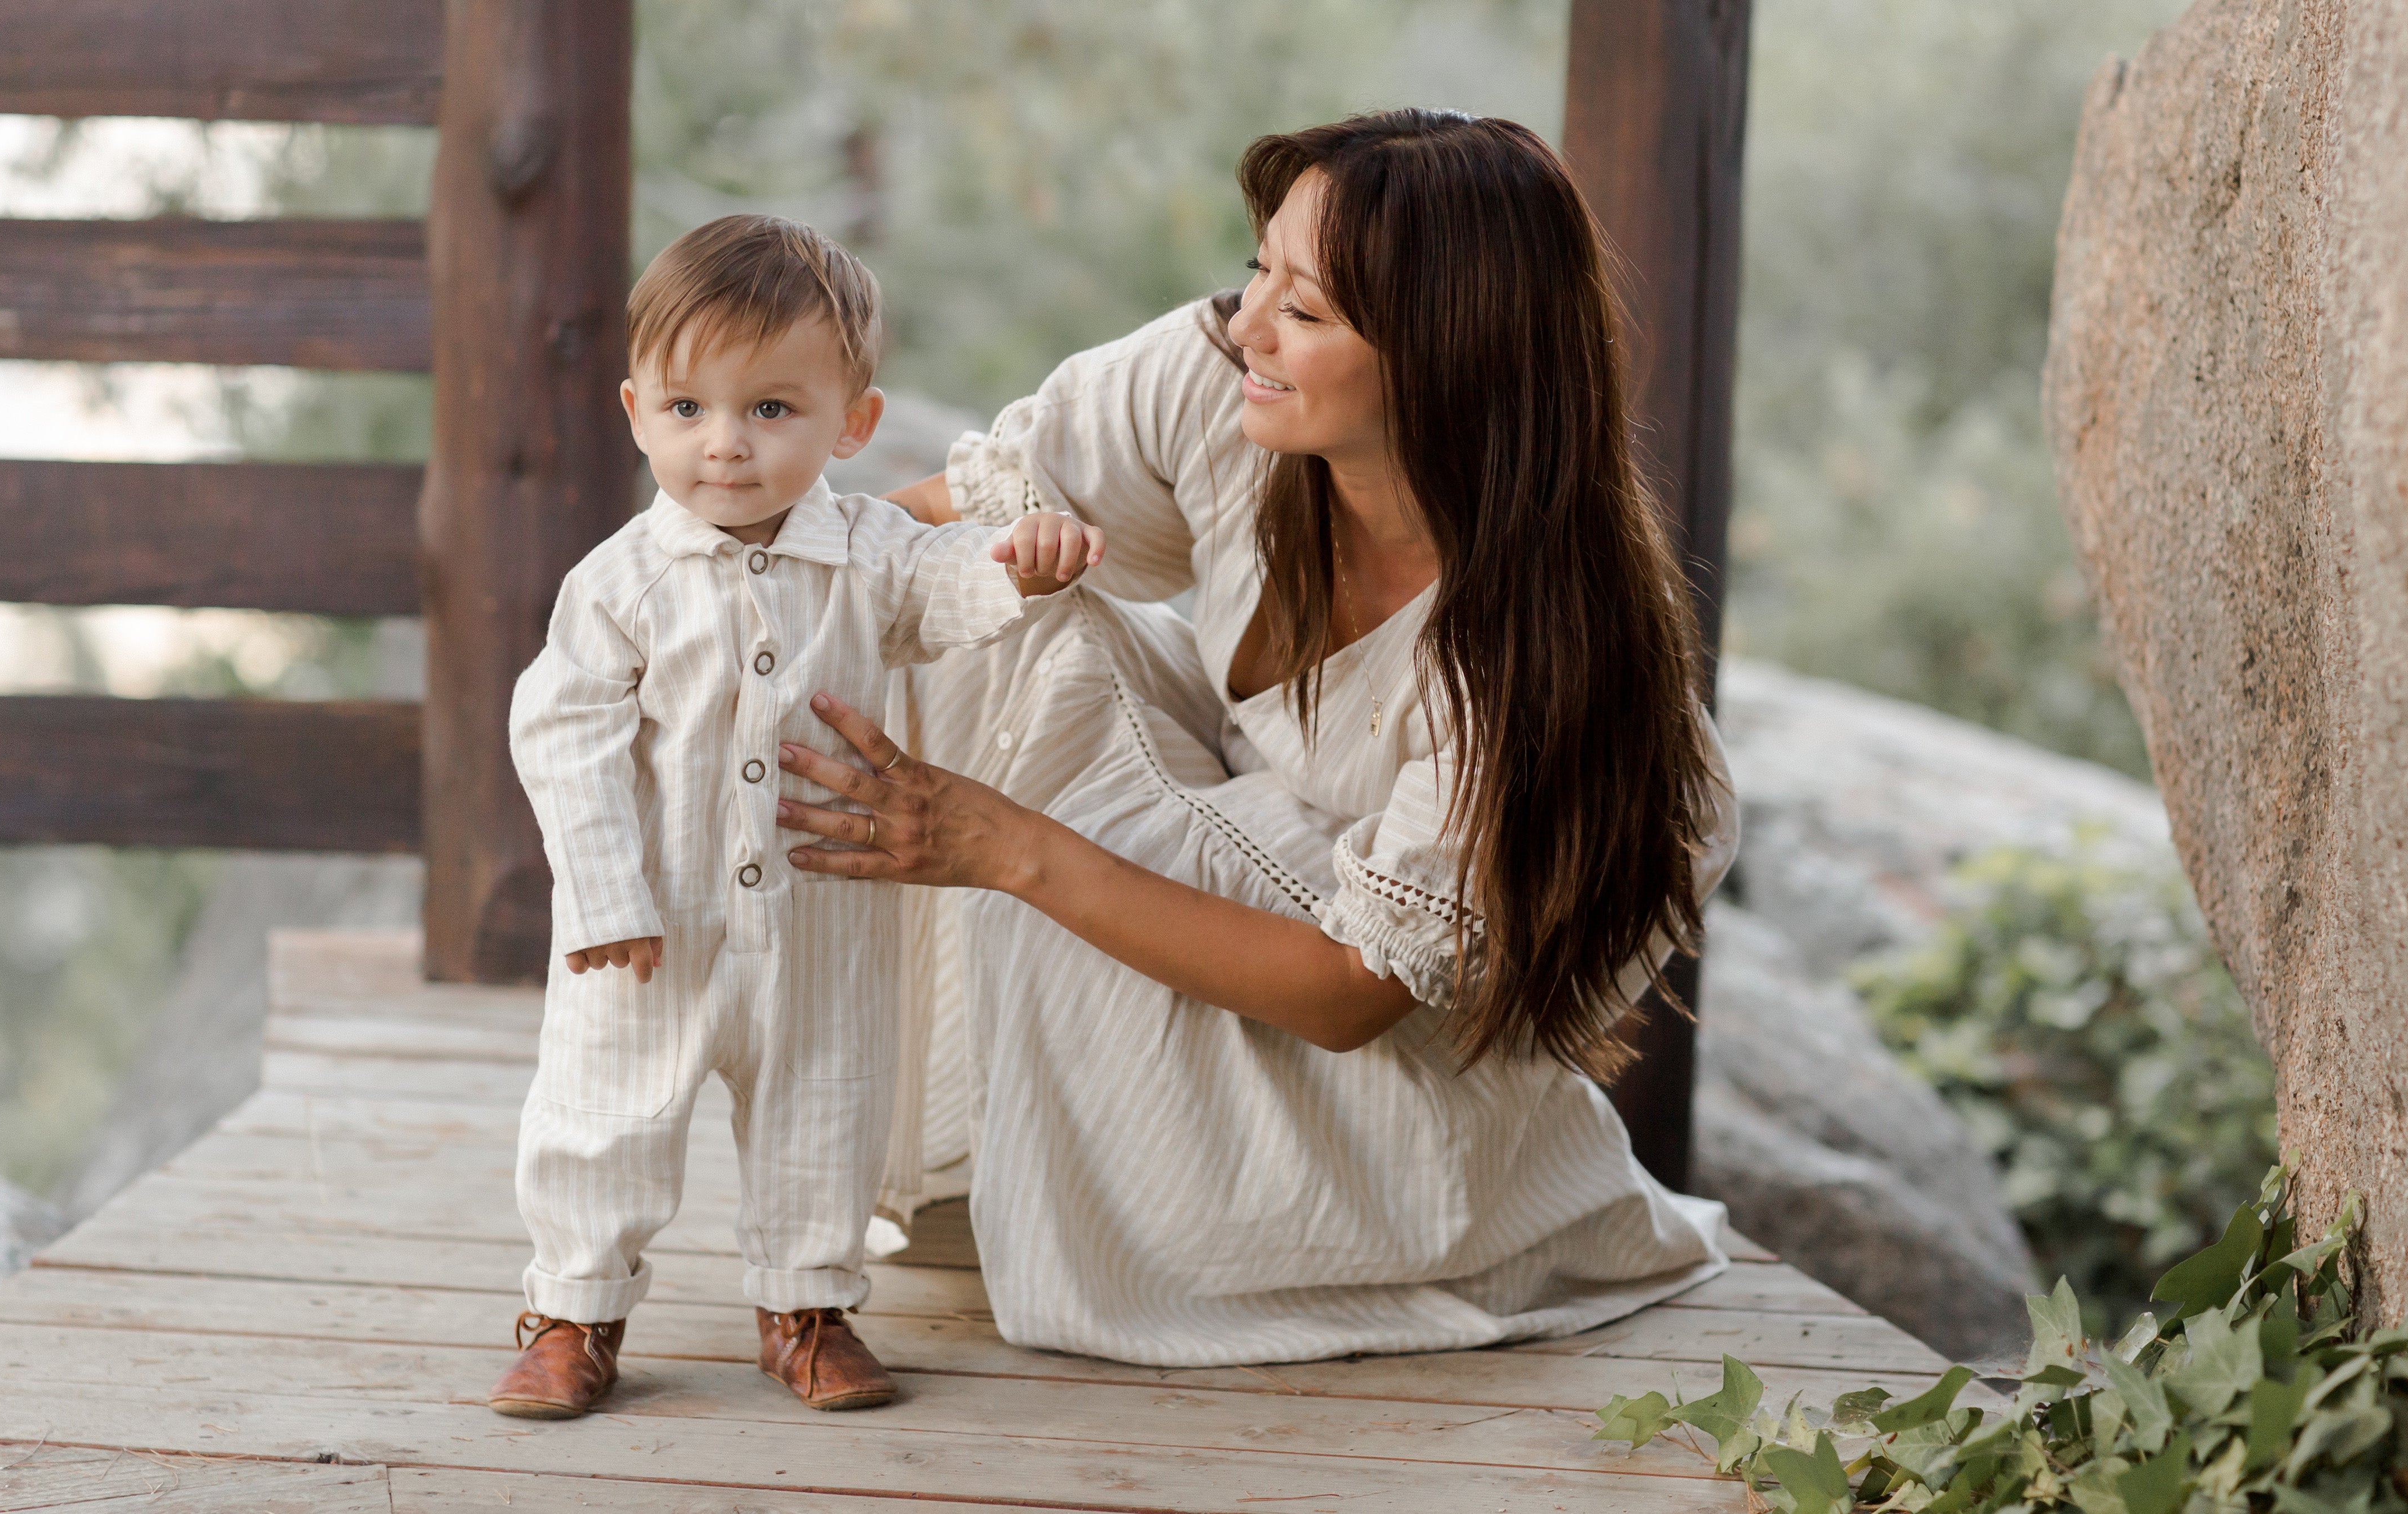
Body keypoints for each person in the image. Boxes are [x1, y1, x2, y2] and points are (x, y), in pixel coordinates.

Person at [773, 110, 1743, 1368]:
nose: (1250, 326)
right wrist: (716, 614)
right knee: (986, 594)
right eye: (1260, 272)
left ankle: (1174, 1213)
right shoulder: (1226, 390)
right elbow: (922, 527)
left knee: (1047, 687)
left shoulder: (1533, 656)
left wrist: (1007, 845)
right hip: (1257, 850)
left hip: (1392, 1082)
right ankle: (906, 1138)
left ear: (1452, 358)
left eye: (1310, 310)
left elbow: (1351, 1001)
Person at [489, 214, 1104, 1418]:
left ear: (851, 425)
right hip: (653, 921)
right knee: (605, 1112)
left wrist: (1022, 562)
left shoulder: (873, 550)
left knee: (823, 1105)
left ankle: (806, 1308)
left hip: (823, 909)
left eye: (771, 410)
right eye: (688, 410)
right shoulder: (620, 584)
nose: (725, 446)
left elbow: (952, 583)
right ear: (636, 412)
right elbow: (562, 732)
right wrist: (607, 890)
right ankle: (573, 1311)